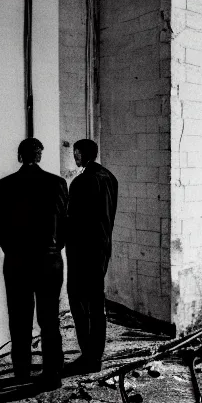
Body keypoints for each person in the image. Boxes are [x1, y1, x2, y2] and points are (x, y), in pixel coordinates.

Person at [0, 138, 68, 390]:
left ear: (19, 156)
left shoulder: (2, 186)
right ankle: (52, 374)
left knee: (19, 319)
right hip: (48, 260)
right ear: (40, 155)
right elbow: (65, 226)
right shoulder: (57, 183)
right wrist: (54, 248)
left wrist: (12, 250)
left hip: (17, 261)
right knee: (49, 319)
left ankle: (21, 371)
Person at [66, 139, 118, 375]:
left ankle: (87, 355)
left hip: (82, 250)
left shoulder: (80, 182)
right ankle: (95, 356)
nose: (73, 156)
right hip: (102, 248)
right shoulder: (110, 178)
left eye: (75, 153)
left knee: (79, 302)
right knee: (97, 303)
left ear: (82, 154)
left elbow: (73, 221)